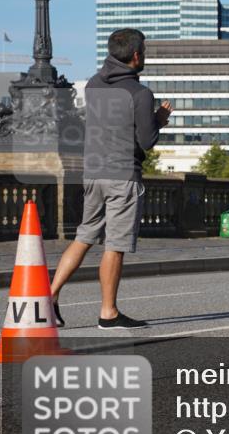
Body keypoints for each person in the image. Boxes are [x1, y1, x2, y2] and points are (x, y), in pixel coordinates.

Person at [48, 28, 173, 329]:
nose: (144, 55)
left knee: (83, 237)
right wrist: (158, 120)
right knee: (114, 245)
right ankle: (108, 312)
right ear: (136, 55)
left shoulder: (93, 84)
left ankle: (48, 298)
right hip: (122, 175)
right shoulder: (140, 94)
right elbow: (147, 141)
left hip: (93, 172)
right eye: (144, 51)